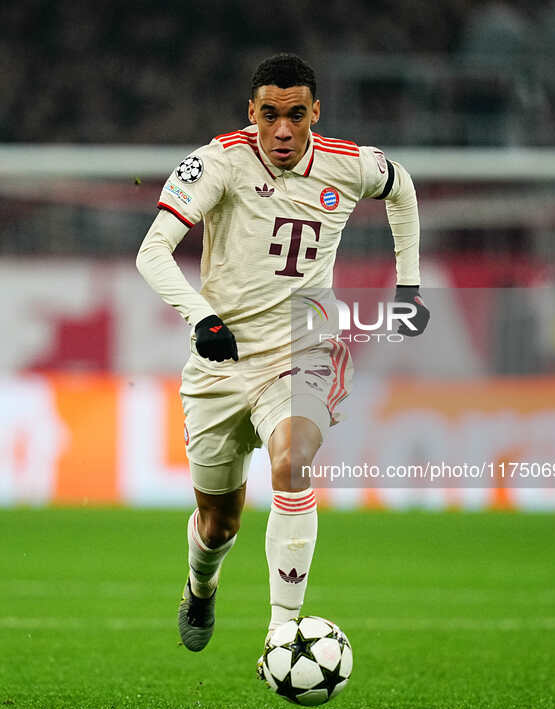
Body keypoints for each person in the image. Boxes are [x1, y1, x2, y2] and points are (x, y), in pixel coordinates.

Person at [136, 53, 429, 671]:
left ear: (314, 112)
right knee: (217, 523)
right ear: (253, 112)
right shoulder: (218, 162)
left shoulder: (350, 164)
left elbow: (401, 187)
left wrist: (409, 284)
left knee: (293, 460)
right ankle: (201, 588)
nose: (283, 131)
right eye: (270, 115)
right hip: (220, 362)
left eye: (296, 116)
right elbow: (153, 251)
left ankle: (282, 635)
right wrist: (201, 317)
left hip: (303, 348)